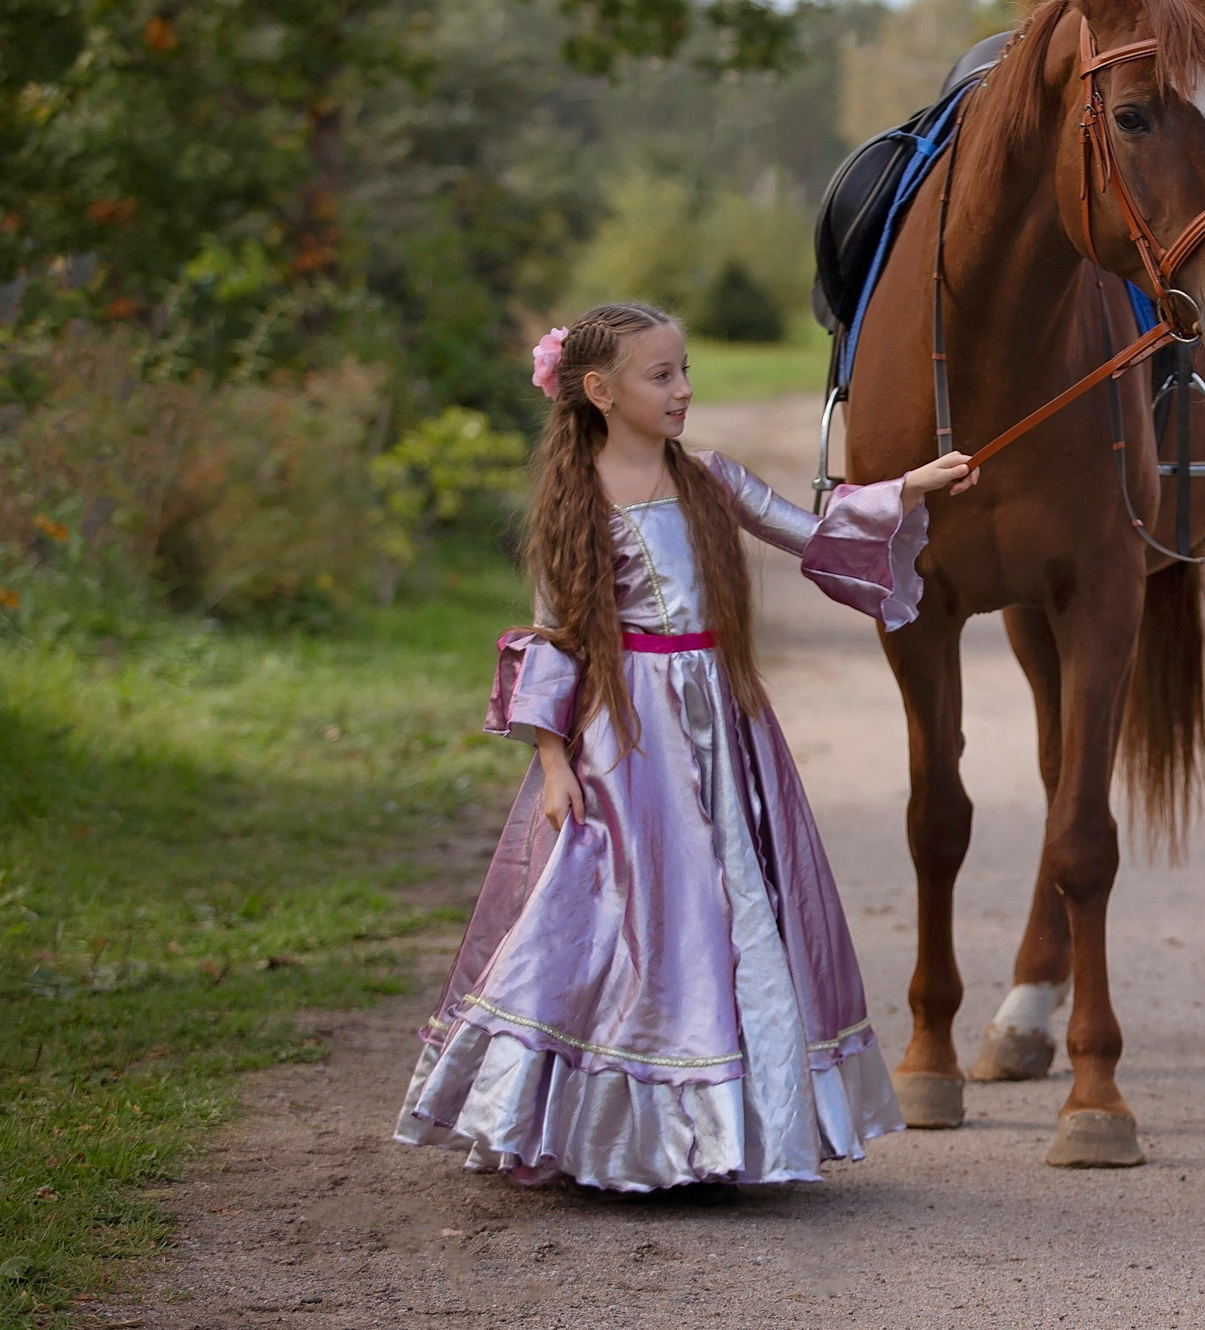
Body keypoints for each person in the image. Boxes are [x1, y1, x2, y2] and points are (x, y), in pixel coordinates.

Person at [395, 301, 976, 1194]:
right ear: (599, 391)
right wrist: (553, 764)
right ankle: (624, 1132)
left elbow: (812, 532)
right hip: (626, 740)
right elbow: (553, 638)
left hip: (726, 725)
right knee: (630, 923)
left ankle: (728, 1130)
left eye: (686, 370)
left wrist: (908, 490)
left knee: (736, 911)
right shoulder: (574, 503)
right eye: (661, 375)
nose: (683, 390)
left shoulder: (710, 480)